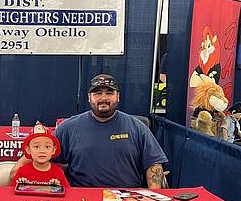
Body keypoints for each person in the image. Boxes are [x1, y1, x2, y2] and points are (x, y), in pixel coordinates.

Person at [11, 74, 168, 188]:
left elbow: (154, 164)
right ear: (89, 97)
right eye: (97, 93)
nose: (103, 98)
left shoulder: (137, 127)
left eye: (109, 92)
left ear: (118, 96)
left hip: (127, 198)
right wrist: (17, 172)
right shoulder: (69, 127)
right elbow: (37, 151)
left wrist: (155, 198)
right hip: (81, 198)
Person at [11, 122, 69, 187]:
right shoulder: (22, 171)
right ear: (28, 150)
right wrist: (21, 185)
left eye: (47, 147)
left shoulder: (58, 172)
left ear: (53, 150)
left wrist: (58, 188)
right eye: (36, 147)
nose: (42, 151)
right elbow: (11, 193)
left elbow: (68, 193)